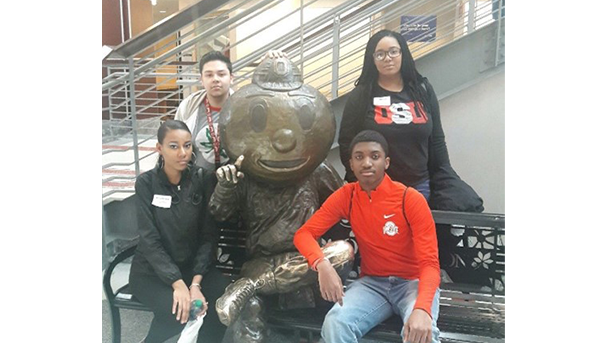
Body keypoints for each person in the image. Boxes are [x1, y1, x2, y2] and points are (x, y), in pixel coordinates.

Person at [294, 130, 441, 343]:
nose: (367, 163)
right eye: (359, 157)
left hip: (412, 283)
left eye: (375, 156)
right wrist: (322, 264)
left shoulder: (409, 199)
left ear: (386, 162)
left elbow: (430, 263)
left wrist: (422, 308)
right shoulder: (348, 196)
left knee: (420, 332)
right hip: (374, 284)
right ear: (351, 164)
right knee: (336, 323)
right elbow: (304, 234)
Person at [338, 29, 483, 212]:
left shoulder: (422, 89)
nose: (387, 58)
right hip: (377, 188)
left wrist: (445, 175)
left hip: (420, 187)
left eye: (393, 51)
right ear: (372, 59)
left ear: (402, 54)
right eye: (380, 54)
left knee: (423, 236)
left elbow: (437, 139)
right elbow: (346, 142)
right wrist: (358, 178)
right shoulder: (362, 95)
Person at [128, 120, 231, 343]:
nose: (182, 153)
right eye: (173, 146)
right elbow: (149, 239)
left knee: (221, 302)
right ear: (159, 149)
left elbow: (208, 236)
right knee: (180, 310)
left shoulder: (203, 179)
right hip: (151, 273)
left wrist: (194, 284)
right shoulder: (146, 184)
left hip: (191, 268)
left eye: (187, 145)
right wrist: (177, 284)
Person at [175, 51, 234, 171]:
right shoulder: (188, 106)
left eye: (221, 74)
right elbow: (175, 141)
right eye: (209, 75)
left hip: (236, 183)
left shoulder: (242, 107)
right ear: (201, 80)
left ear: (231, 78)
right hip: (197, 183)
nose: (215, 79)